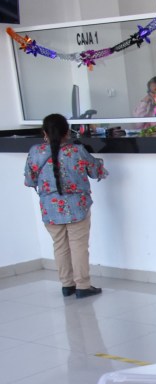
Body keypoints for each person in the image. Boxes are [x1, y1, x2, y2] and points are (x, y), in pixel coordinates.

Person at [24, 113, 107, 298]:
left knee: (59, 245)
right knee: (78, 246)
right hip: (78, 207)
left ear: (44, 132)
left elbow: (29, 180)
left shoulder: (35, 152)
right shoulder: (77, 151)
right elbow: (97, 171)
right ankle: (83, 286)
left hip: (50, 208)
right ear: (67, 132)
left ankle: (67, 285)